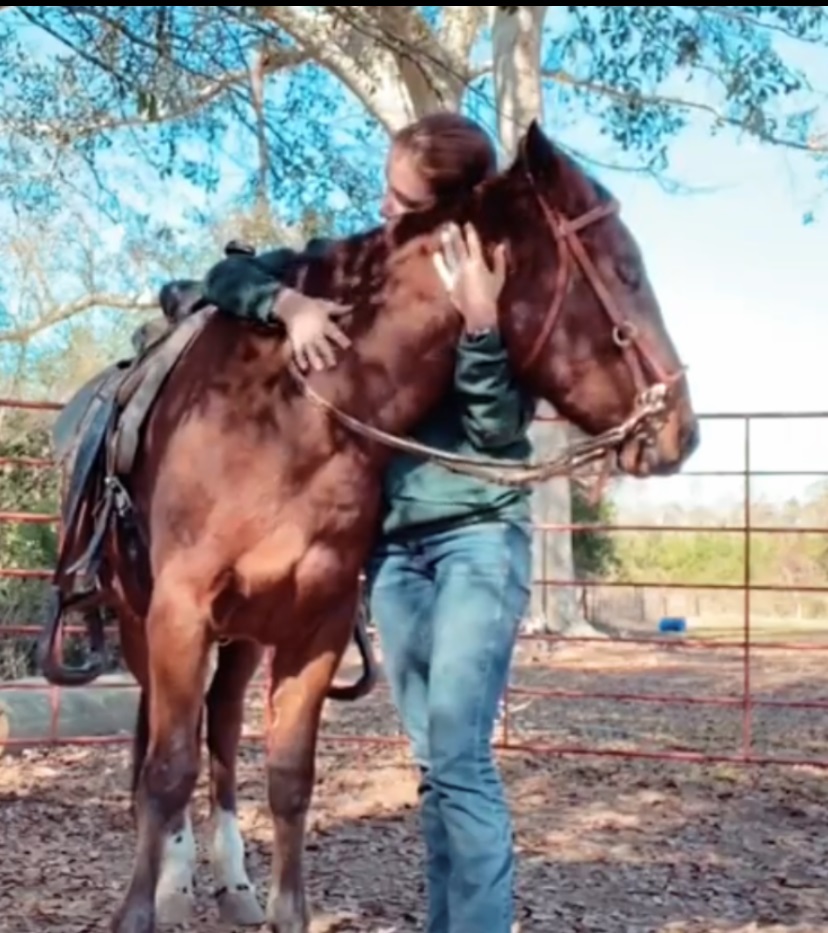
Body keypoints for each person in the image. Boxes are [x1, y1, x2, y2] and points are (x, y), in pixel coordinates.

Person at [203, 112, 534, 933]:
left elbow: (497, 437)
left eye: (402, 197)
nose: (384, 206)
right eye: (385, 188)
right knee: (435, 765)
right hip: (393, 549)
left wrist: (483, 325)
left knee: (459, 760)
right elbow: (222, 279)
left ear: (446, 207)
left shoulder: (497, 276)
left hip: (474, 536)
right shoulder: (358, 265)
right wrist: (291, 305)